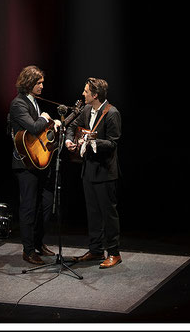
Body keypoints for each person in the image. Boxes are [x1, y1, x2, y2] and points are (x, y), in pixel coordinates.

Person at [65, 77, 122, 268]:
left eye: (86, 91)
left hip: (105, 172)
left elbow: (113, 143)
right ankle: (96, 250)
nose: (83, 93)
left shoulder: (111, 113)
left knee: (108, 214)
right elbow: (71, 125)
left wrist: (91, 142)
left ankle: (114, 252)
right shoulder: (87, 110)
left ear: (95, 95)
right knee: (93, 213)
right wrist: (68, 140)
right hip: (88, 170)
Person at [9, 65, 61, 265]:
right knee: (29, 207)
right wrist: (44, 118)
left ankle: (39, 242)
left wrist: (52, 124)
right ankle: (28, 250)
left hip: (40, 162)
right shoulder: (18, 104)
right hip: (25, 164)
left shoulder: (34, 101)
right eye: (39, 83)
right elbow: (32, 127)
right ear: (29, 83)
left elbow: (39, 132)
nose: (42, 86)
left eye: (42, 82)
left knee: (46, 203)